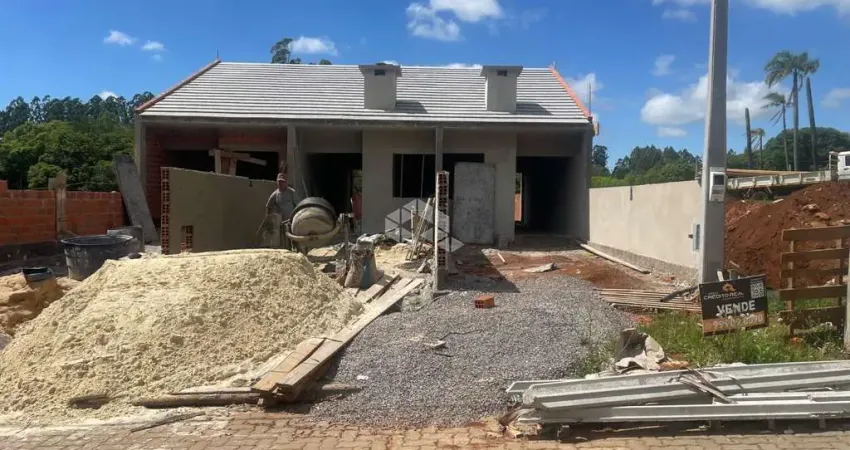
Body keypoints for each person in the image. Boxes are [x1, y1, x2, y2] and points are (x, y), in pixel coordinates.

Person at [264, 174, 301, 248]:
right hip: (281, 221)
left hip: (292, 220)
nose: (281, 184)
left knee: (294, 237)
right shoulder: (275, 194)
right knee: (283, 238)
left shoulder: (291, 192)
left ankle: (298, 251)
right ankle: (287, 250)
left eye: (283, 182)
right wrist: (268, 218)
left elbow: (298, 205)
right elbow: (268, 206)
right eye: (279, 182)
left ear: (286, 183)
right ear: (277, 182)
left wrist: (297, 217)